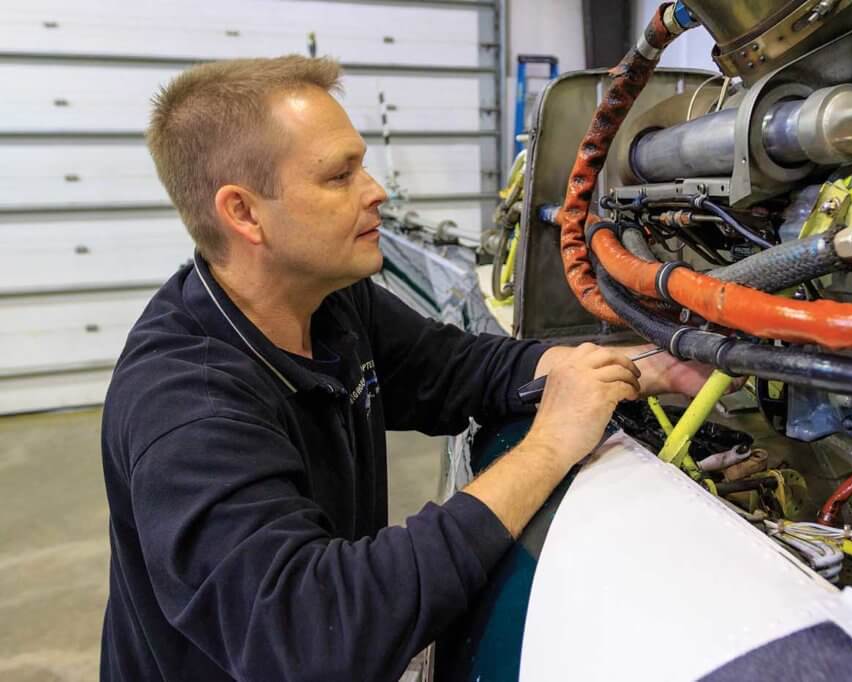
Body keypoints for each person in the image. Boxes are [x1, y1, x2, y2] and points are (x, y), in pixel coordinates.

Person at [99, 55, 713, 681]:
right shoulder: (186, 405)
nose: (376, 191)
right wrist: (551, 444)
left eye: (361, 163)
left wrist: (646, 366)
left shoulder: (331, 303)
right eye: (340, 177)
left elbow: (454, 368)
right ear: (244, 213)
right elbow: (316, 639)